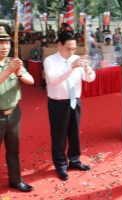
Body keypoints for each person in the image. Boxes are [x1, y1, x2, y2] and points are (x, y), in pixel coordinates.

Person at [44, 28, 96, 181]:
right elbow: (54, 79)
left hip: (75, 100)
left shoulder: (77, 58)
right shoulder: (50, 61)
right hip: (58, 102)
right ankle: (60, 164)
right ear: (59, 45)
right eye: (69, 48)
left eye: (74, 48)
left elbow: (90, 78)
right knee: (59, 135)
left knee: (74, 133)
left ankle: (74, 160)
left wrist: (87, 69)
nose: (72, 51)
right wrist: (71, 66)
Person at [0, 26, 34, 192]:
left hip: (13, 114)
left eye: (6, 42)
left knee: (13, 150)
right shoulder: (8, 66)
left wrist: (19, 72)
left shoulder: (13, 62)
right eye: (0, 43)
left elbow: (31, 80)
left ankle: (16, 180)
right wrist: (7, 71)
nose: (4, 46)